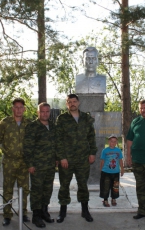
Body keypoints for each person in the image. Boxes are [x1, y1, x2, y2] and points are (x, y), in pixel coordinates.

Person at [55, 94, 97, 223]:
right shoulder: (62, 119)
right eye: (70, 102)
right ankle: (62, 211)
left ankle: (85, 210)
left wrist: (92, 153)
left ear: (78, 103)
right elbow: (58, 139)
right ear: (67, 104)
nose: (72, 104)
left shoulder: (86, 118)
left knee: (83, 185)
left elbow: (91, 137)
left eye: (74, 101)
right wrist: (61, 157)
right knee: (64, 186)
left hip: (83, 158)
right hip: (67, 159)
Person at [0, 98, 31, 226]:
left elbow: (32, 141)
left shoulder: (28, 124)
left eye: (21, 107)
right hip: (9, 162)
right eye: (16, 107)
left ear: (24, 109)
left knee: (24, 189)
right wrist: (7, 151)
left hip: (24, 162)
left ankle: (23, 213)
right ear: (12, 109)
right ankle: (7, 215)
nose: (18, 110)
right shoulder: (4, 123)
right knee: (8, 189)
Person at [23, 102, 57, 228]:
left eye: (47, 111)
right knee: (37, 191)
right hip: (37, 166)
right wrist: (30, 164)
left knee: (47, 189)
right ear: (38, 112)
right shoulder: (32, 127)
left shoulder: (53, 126)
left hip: (50, 165)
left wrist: (57, 158)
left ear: (49, 112)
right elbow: (27, 147)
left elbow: (56, 144)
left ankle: (44, 212)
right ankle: (36, 216)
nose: (45, 114)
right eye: (42, 111)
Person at [99, 134, 124, 207]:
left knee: (115, 186)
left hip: (115, 172)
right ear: (108, 141)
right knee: (105, 186)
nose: (112, 143)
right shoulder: (105, 151)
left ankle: (114, 198)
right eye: (111, 141)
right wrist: (101, 169)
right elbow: (102, 161)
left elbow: (120, 160)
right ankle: (105, 199)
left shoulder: (118, 150)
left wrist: (122, 169)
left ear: (116, 142)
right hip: (106, 171)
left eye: (114, 141)